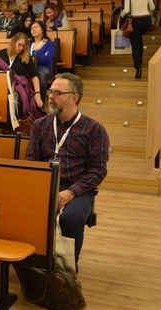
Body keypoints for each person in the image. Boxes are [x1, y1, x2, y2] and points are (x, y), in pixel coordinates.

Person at [27, 73, 109, 265]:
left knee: (71, 218)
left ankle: (67, 270)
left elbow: (98, 170)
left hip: (78, 188)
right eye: (50, 91)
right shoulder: (40, 125)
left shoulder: (94, 129)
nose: (51, 96)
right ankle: (34, 266)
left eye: (57, 93)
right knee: (23, 212)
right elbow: (32, 161)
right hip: (46, 183)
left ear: (74, 97)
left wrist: (72, 192)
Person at [0, 33, 43, 110]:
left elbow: (34, 76)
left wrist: (37, 94)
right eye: (19, 44)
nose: (21, 48)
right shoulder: (0, 53)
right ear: (13, 42)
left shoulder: (26, 58)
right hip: (0, 85)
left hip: (17, 88)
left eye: (23, 46)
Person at [122, 0, 156, 79]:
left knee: (136, 46)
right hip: (146, 21)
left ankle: (138, 68)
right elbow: (153, 7)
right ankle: (140, 60)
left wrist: (121, 15)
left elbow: (126, 10)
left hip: (135, 22)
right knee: (139, 41)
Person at [30, 20, 55, 91]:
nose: (33, 29)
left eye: (36, 27)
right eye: (31, 28)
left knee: (40, 74)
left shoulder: (49, 43)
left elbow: (48, 58)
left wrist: (34, 58)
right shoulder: (29, 44)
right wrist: (40, 56)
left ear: (42, 30)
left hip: (43, 68)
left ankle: (41, 96)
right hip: (29, 67)